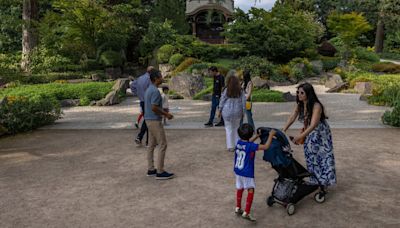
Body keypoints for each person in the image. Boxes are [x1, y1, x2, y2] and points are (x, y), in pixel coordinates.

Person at [282, 82, 336, 188]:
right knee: (310, 155)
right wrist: (284, 129)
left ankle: (324, 181)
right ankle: (314, 179)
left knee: (323, 156)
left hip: (320, 134)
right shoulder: (300, 104)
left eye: (302, 93)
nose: (299, 95)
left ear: (308, 94)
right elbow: (292, 117)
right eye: (298, 92)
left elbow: (313, 125)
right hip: (309, 131)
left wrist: (300, 137)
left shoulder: (316, 106)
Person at [234, 124, 276, 222]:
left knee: (240, 188)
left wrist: (257, 136)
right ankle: (246, 212)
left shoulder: (238, 143)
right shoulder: (251, 146)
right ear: (250, 134)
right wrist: (271, 135)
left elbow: (247, 144)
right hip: (247, 172)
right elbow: (266, 146)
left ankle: (238, 207)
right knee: (251, 189)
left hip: (238, 171)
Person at [144, 69, 174, 180]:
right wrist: (166, 114)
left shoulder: (149, 89)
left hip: (148, 120)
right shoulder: (155, 91)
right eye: (161, 76)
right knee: (163, 144)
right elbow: (154, 107)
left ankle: (151, 169)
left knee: (151, 145)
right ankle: (160, 171)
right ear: (156, 78)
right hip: (154, 121)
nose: (162, 78)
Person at [218, 71, 246, 152]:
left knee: (228, 128)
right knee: (236, 128)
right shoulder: (241, 90)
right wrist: (243, 112)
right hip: (238, 111)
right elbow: (243, 102)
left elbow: (222, 100)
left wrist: (219, 110)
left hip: (227, 111)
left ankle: (230, 146)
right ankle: (237, 144)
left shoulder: (226, 90)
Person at [131, 66, 154, 146]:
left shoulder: (140, 78)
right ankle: (147, 141)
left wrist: (136, 93)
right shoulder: (150, 79)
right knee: (149, 120)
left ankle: (140, 138)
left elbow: (132, 85)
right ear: (152, 72)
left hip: (142, 101)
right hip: (149, 102)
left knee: (147, 120)